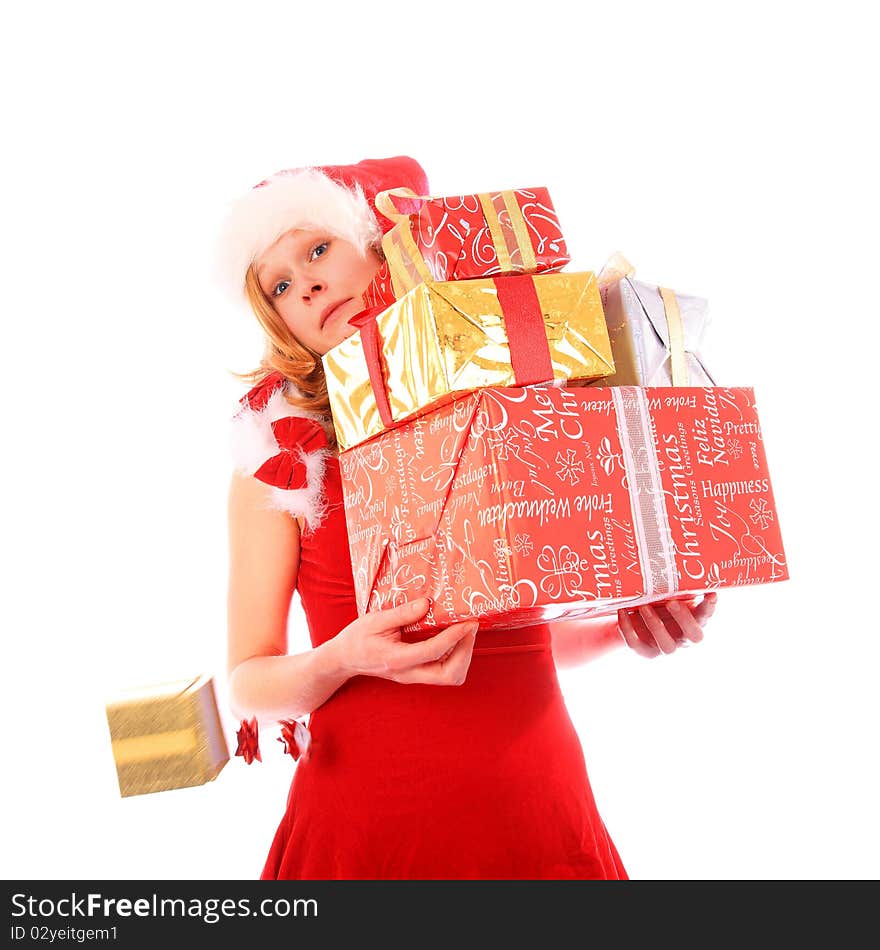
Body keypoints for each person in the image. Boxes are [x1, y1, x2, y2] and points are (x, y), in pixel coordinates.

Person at [215, 156, 718, 880]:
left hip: (536, 811)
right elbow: (248, 679)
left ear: (381, 245)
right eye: (282, 286)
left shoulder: (505, 399)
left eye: (318, 248)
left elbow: (513, 632)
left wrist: (621, 626)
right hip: (366, 834)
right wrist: (342, 658)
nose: (309, 283)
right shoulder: (280, 459)